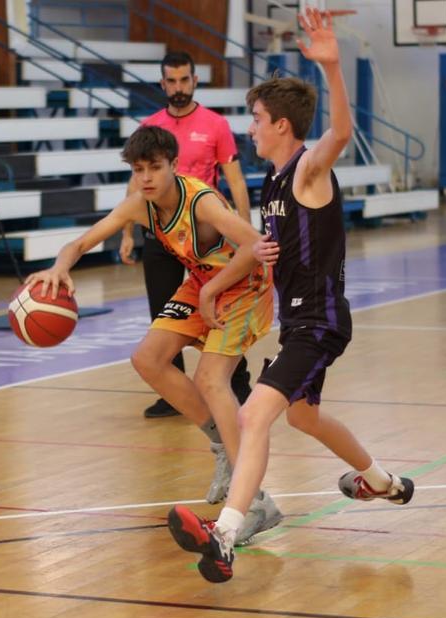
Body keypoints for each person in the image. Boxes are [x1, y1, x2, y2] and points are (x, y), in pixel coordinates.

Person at [165, 8, 414, 585]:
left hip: (320, 320)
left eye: (255, 118)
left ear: (281, 124)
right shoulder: (274, 183)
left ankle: (225, 535)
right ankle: (382, 481)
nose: (249, 127)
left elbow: (343, 134)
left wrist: (331, 67)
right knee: (304, 417)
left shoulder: (306, 170)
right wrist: (217, 289)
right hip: (301, 322)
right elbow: (259, 249)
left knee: (254, 416)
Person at [26, 125, 282, 542]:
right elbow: (82, 242)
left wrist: (214, 289)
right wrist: (60, 266)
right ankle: (222, 447)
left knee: (211, 379)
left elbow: (258, 247)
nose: (146, 177)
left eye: (155, 168)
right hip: (203, 283)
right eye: (139, 169)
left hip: (243, 286)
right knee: (147, 359)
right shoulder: (138, 206)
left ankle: (255, 502)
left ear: (174, 166)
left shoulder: (202, 203)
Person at [120, 51, 254, 421]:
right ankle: (172, 391)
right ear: (163, 84)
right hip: (162, 232)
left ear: (195, 81)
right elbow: (136, 182)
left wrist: (243, 226)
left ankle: (239, 384)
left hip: (207, 241)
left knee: (220, 312)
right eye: (171, 81)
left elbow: (235, 179)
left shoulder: (215, 124)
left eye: (184, 80)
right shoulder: (150, 125)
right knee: (163, 311)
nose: (178, 88)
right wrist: (127, 233)